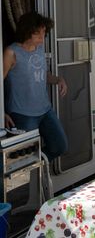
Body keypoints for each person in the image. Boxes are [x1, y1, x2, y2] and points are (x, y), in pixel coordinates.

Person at [3, 11, 68, 161]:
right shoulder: (11, 52)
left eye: (44, 33)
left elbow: (42, 75)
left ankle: (39, 167)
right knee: (22, 158)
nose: (42, 37)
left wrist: (58, 79)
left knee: (60, 146)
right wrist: (2, 113)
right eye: (38, 34)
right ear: (27, 32)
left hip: (45, 110)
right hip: (22, 114)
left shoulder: (39, 49)